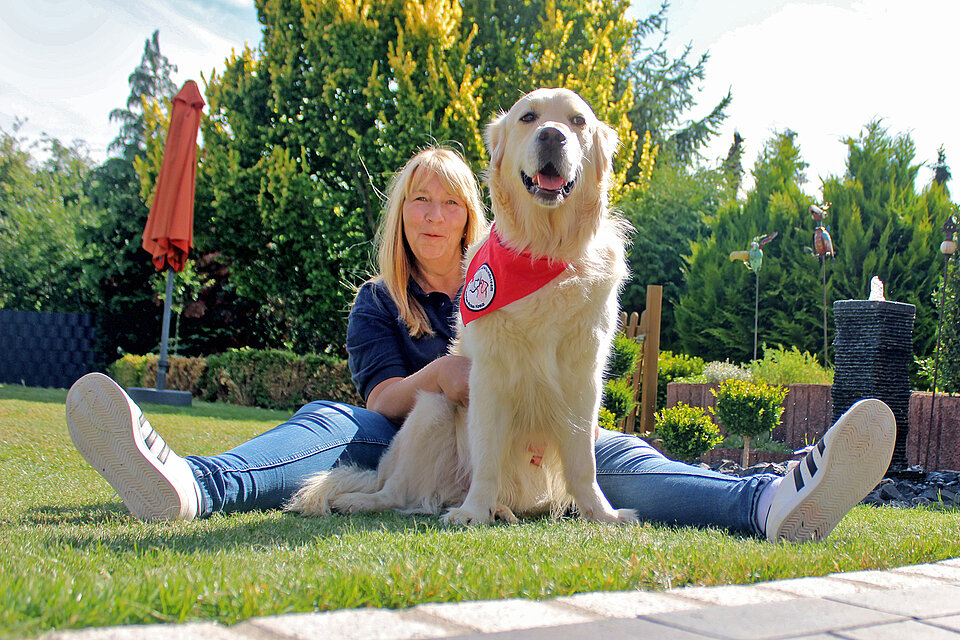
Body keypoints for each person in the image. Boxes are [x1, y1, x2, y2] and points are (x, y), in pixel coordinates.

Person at [65, 146, 896, 543]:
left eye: (449, 203)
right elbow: (379, 400)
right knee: (329, 418)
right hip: (408, 438)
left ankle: (769, 500)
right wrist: (451, 374)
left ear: (473, 216)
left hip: (532, 430)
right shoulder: (376, 301)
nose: (433, 215)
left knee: (616, 452)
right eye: (418, 202)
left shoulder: (513, 276)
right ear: (402, 216)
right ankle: (189, 486)